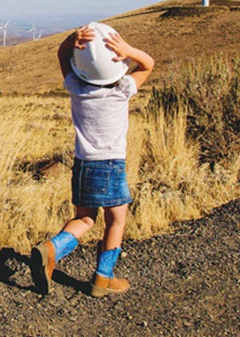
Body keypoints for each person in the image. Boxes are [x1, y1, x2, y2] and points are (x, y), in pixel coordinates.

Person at [29, 21, 154, 297]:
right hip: (111, 166)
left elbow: (61, 56)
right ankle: (102, 278)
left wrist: (71, 41)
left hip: (83, 165)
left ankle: (50, 249)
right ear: (116, 65)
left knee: (85, 219)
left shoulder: (76, 87)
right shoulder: (122, 90)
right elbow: (148, 65)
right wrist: (130, 50)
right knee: (115, 222)